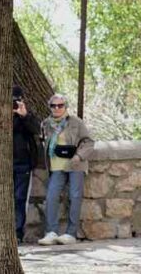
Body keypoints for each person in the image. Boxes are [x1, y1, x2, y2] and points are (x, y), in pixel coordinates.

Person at [38, 94, 93, 246]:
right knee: (51, 196)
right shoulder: (46, 124)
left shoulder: (76, 122)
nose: (57, 108)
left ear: (65, 107)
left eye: (60, 105)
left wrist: (79, 156)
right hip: (56, 166)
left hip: (75, 164)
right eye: (53, 106)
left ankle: (71, 233)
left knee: (74, 196)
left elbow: (88, 142)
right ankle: (51, 232)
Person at [12, 86, 40, 243]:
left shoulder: (26, 115)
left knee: (20, 198)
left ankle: (17, 232)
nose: (14, 104)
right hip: (3, 164)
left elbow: (36, 129)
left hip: (23, 164)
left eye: (17, 100)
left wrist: (24, 116)